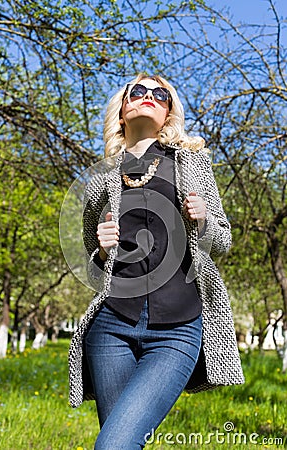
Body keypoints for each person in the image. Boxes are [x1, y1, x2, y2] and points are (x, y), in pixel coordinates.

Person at [68, 74, 244, 449]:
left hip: (177, 329)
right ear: (121, 113)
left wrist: (204, 221)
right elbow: (91, 265)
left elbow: (223, 241)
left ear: (168, 113)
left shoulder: (191, 163)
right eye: (139, 91)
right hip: (111, 327)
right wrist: (100, 251)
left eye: (160, 94)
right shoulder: (101, 179)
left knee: (112, 445)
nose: (149, 96)